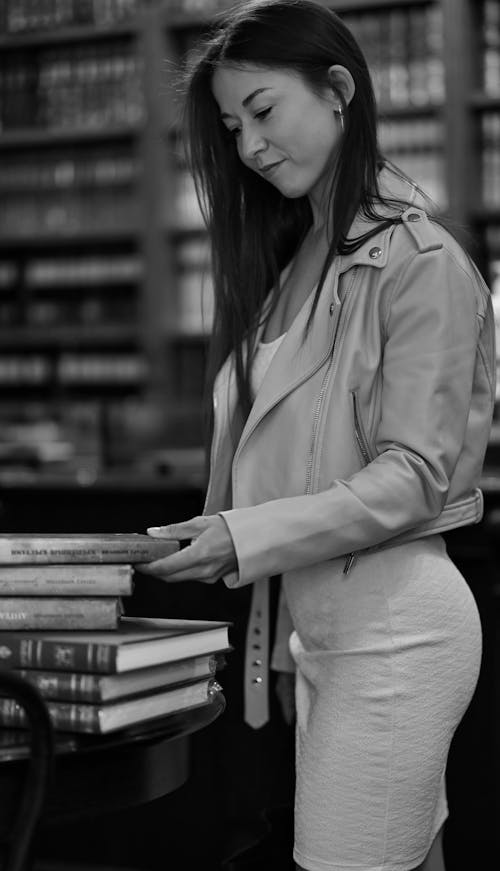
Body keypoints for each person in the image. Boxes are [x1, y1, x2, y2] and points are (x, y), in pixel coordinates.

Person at [139, 2, 496, 869]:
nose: (250, 146)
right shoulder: (297, 260)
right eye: (232, 128)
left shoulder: (418, 260)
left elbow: (413, 474)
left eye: (262, 112)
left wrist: (244, 533)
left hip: (398, 631)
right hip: (325, 632)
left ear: (338, 90)